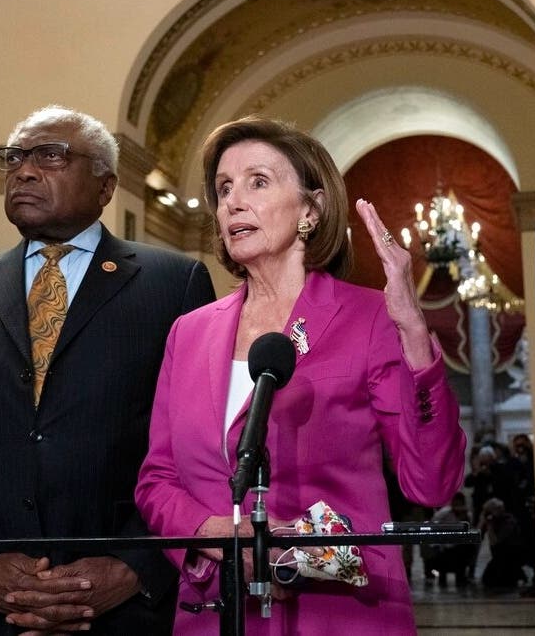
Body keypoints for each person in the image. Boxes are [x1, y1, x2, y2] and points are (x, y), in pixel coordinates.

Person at [134, 115, 467, 635]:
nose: (233, 202)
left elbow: (429, 483)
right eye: (224, 188)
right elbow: (157, 480)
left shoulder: (368, 317)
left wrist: (416, 339)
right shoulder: (188, 332)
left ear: (311, 209)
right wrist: (220, 535)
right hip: (217, 612)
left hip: (340, 612)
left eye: (258, 182)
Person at [0, 105, 216, 635]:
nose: (24, 170)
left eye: (51, 155)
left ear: (105, 186)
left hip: (121, 609)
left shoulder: (173, 283)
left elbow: (196, 450)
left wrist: (132, 568)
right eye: (15, 157)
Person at [420, 491, 472, 588]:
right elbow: (432, 525)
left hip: (458, 548)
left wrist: (463, 516)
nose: (458, 506)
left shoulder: (466, 514)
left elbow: (469, 531)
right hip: (443, 547)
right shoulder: (444, 513)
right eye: (456, 503)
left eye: (460, 503)